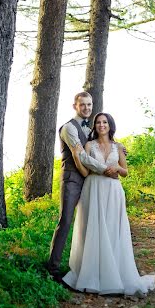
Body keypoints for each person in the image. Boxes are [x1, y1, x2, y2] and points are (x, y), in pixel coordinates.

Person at [62, 112, 155, 296]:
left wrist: (118, 168)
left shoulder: (118, 146)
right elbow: (84, 169)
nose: (101, 125)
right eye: (98, 122)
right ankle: (92, 275)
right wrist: (77, 155)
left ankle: (114, 273)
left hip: (113, 191)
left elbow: (125, 172)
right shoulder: (89, 145)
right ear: (95, 126)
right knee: (94, 229)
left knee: (113, 228)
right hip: (93, 188)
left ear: (110, 125)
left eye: (104, 122)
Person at [46, 92, 118, 281]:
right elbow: (81, 156)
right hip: (72, 179)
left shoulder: (91, 128)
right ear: (75, 106)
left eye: (89, 104)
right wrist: (105, 169)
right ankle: (53, 269)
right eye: (82, 105)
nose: (86, 108)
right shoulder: (69, 128)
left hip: (91, 181)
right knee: (66, 221)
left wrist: (119, 148)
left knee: (90, 223)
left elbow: (101, 144)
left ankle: (89, 266)